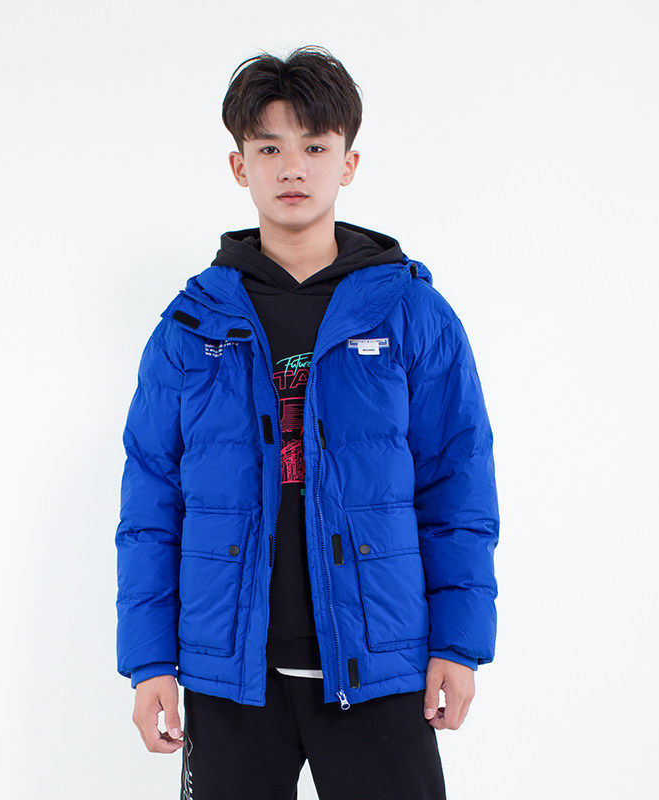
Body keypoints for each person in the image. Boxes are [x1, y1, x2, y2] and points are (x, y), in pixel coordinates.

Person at [115, 45, 499, 800]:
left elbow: (458, 486)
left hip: (379, 663)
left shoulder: (411, 313)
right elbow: (151, 502)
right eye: (269, 148)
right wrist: (150, 662)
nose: (292, 168)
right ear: (239, 166)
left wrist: (458, 644)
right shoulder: (190, 327)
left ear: (348, 163)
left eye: (315, 147)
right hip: (232, 673)